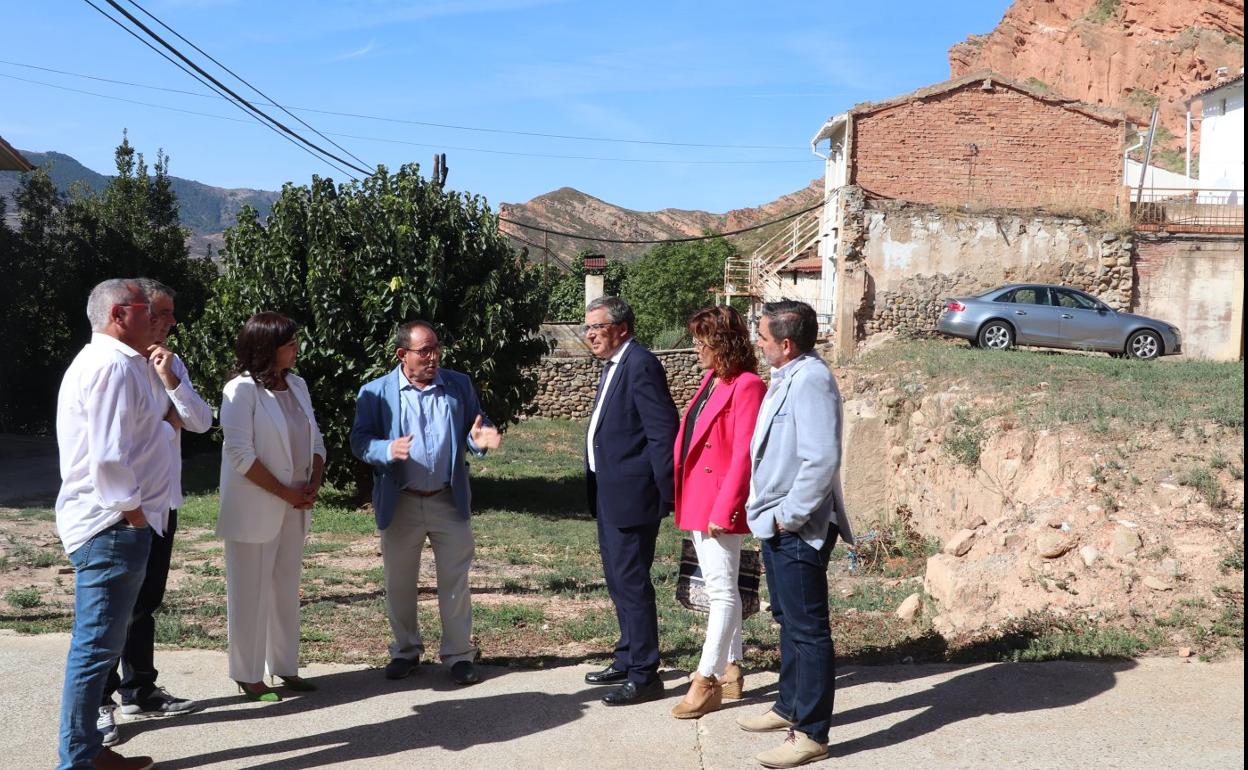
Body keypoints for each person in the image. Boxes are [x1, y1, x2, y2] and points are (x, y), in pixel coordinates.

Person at [350, 320, 501, 686]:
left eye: (436, 348)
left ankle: (459, 655)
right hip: (400, 502)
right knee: (400, 582)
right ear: (403, 355)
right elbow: (359, 440)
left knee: (455, 582)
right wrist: (386, 449)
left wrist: (479, 440)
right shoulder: (375, 391)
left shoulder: (458, 385)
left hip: (448, 500)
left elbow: (474, 428)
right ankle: (405, 651)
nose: (433, 357)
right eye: (424, 351)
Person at [737, 301, 854, 769]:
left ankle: (810, 731)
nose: (758, 343)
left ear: (785, 343)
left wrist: (790, 516)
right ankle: (788, 705)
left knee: (808, 629)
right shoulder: (787, 376)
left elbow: (821, 459)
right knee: (788, 620)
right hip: (775, 520)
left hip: (797, 527)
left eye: (763, 337)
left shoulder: (811, 380)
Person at [55, 278, 165, 770]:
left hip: (113, 524)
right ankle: (76, 761)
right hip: (111, 527)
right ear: (121, 314)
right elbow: (106, 455)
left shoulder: (114, 362)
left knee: (101, 645)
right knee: (96, 649)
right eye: (147, 309)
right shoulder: (111, 366)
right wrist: (134, 513)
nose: (158, 318)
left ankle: (88, 752)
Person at [97, 279, 212, 748]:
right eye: (162, 313)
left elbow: (202, 421)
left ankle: (139, 688)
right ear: (136, 312)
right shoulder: (112, 365)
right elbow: (124, 443)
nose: (170, 322)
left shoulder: (170, 362)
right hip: (124, 509)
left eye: (169, 314)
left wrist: (172, 383)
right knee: (112, 608)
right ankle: (99, 701)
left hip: (163, 501)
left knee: (146, 601)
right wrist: (169, 422)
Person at [218, 312, 325, 702]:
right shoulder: (240, 390)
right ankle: (247, 674)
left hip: (296, 505)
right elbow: (240, 454)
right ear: (266, 347)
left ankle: (284, 666)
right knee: (249, 592)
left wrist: (313, 481)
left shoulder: (297, 384)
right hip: (257, 507)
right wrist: (285, 492)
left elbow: (316, 439)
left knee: (285, 589)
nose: (296, 348)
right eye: (289, 342)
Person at [581, 296, 678, 706]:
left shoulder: (640, 364)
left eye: (597, 328)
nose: (589, 335)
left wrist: (668, 492)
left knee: (633, 583)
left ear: (620, 328)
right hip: (609, 492)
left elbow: (662, 432)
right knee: (619, 581)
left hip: (634, 496)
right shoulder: (614, 365)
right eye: (587, 328)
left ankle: (644, 673)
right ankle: (626, 655)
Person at [670, 306, 766, 719]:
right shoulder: (713, 379)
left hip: (718, 502)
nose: (696, 348)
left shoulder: (748, 386)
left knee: (722, 592)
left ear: (723, 343)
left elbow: (745, 454)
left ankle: (706, 679)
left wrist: (725, 508)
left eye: (702, 340)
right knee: (720, 585)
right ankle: (732, 668)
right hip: (698, 494)